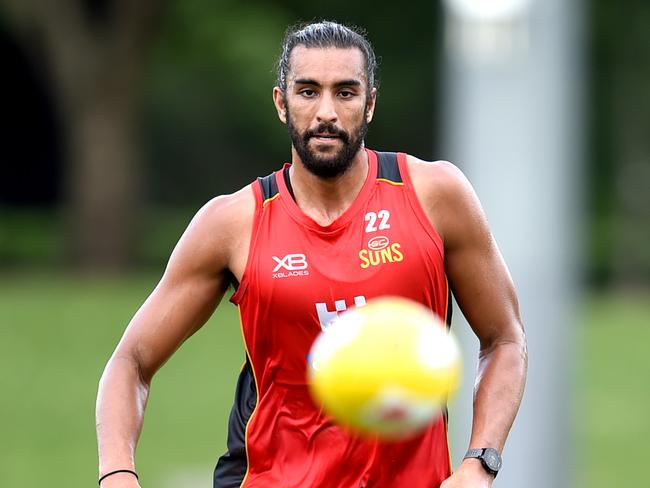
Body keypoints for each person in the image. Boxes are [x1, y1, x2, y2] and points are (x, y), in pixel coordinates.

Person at [96, 21, 527, 488]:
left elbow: (505, 339)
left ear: (370, 103)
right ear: (282, 103)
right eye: (307, 92)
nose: (326, 112)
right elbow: (131, 362)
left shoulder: (434, 195)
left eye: (345, 92)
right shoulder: (234, 223)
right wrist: (117, 474)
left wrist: (479, 464)